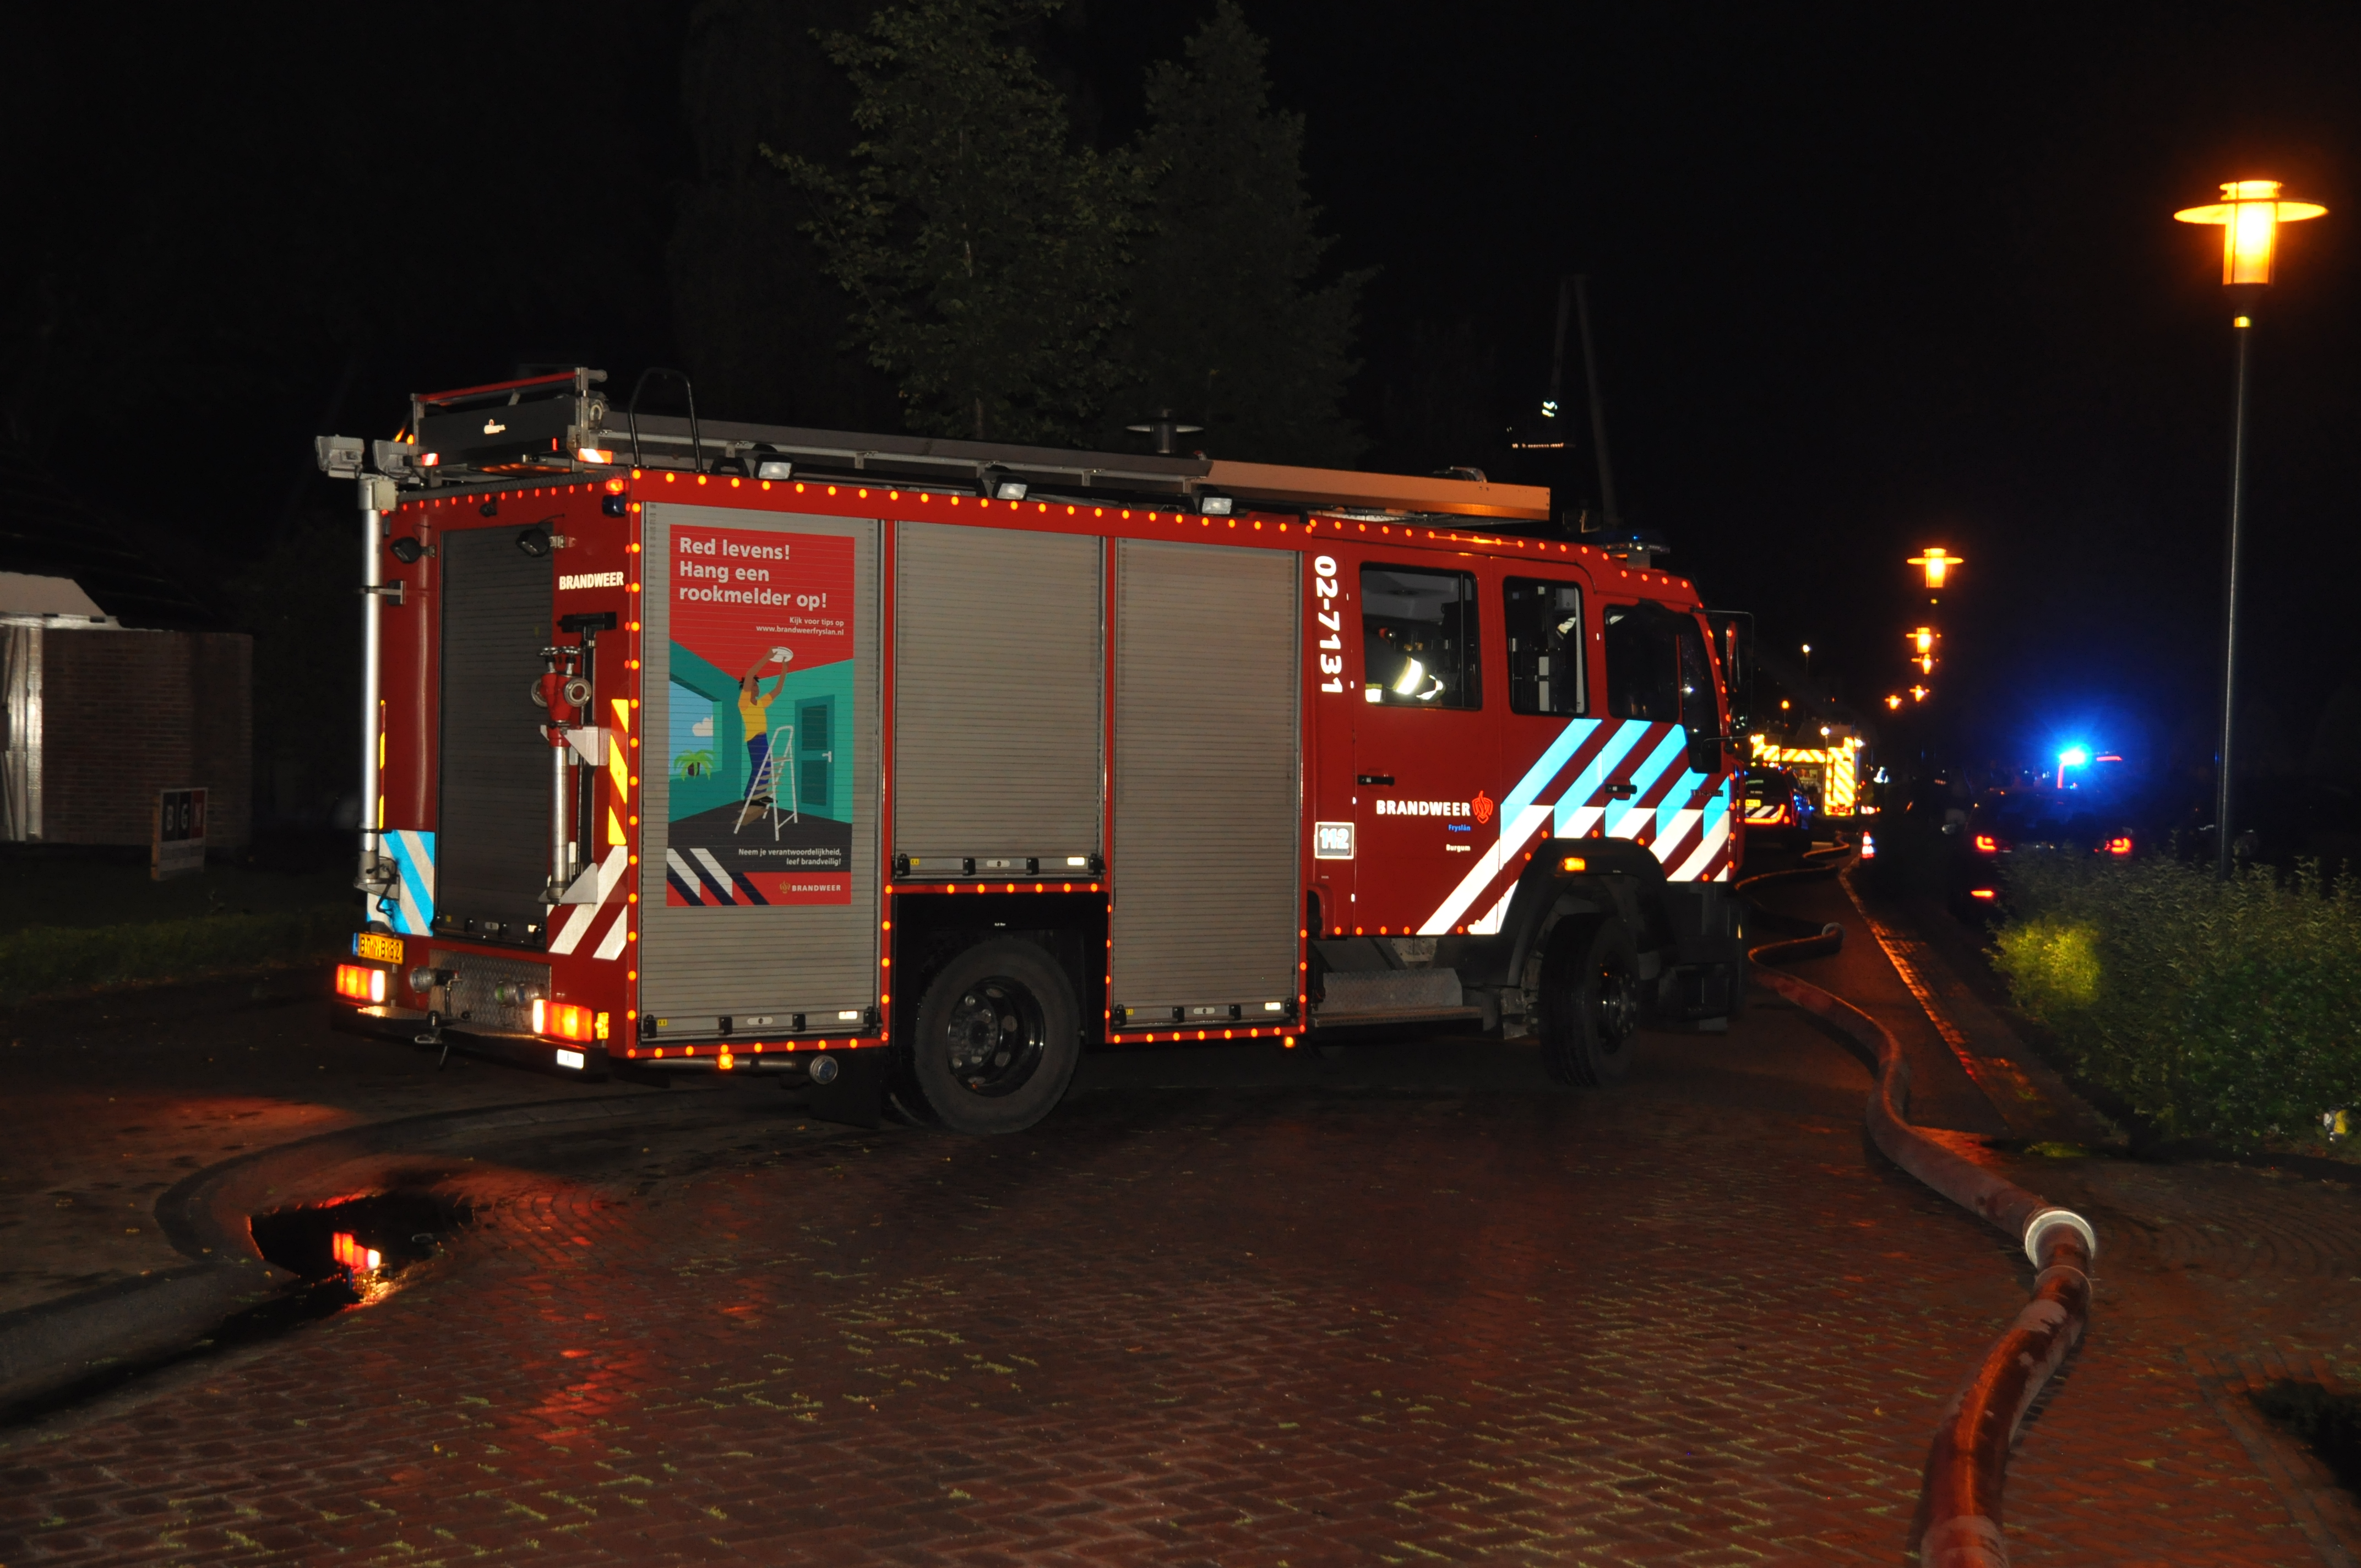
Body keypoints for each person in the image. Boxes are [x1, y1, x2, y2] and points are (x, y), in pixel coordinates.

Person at [735, 652, 787, 827]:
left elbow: (778, 691)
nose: (757, 688)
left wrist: (784, 669)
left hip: (763, 739)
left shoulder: (760, 703)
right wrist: (768, 656)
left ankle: (759, 795)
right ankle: (751, 798)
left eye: (757, 686)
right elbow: (750, 674)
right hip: (755, 740)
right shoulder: (744, 703)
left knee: (765, 768)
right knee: (760, 768)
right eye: (754, 685)